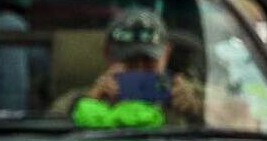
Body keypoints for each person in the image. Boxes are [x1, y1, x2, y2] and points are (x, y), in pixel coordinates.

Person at [61, 7, 204, 127]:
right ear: (107, 55)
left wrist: (196, 108)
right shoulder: (85, 98)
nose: (139, 69)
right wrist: (89, 102)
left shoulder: (186, 94)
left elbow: (223, 121)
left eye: (149, 61)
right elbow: (51, 127)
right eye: (130, 62)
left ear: (166, 54)